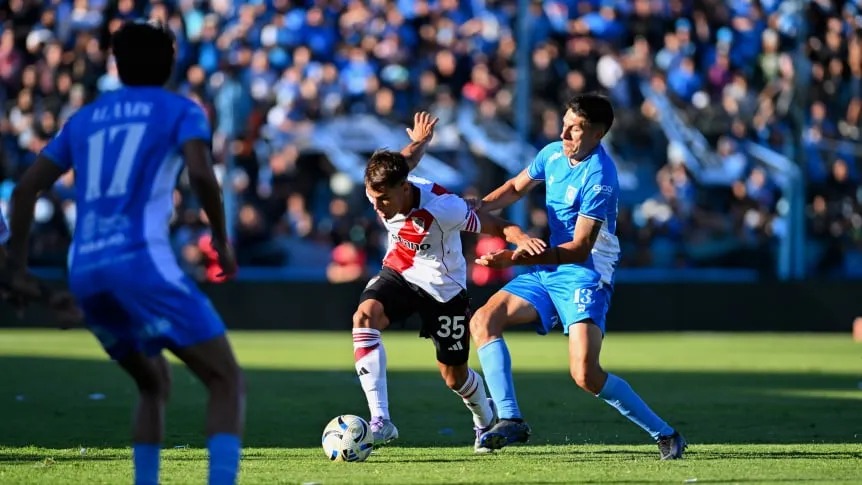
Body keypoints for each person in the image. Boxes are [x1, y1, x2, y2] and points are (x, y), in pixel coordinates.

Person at [6, 21, 245, 484]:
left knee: (152, 382)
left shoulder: (85, 119)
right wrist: (220, 237)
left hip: (85, 271)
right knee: (226, 380)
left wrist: (16, 269)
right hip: (140, 262)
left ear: (116, 63)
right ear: (171, 62)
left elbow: (23, 193)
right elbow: (200, 174)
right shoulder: (181, 110)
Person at [469, 93, 687, 459]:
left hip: (585, 274)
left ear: (598, 134)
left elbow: (581, 248)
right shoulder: (553, 153)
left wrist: (516, 257)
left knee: (585, 374)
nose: (565, 133)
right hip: (548, 264)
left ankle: (666, 434)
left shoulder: (600, 177)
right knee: (484, 320)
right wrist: (475, 208)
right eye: (565, 123)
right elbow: (515, 188)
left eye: (576, 128)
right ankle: (510, 419)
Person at [353, 112, 545, 452]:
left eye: (384, 199)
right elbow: (405, 159)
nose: (379, 207)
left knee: (454, 376)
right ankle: (381, 421)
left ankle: (484, 419)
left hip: (445, 290)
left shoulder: (445, 208)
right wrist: (421, 141)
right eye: (374, 198)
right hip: (399, 272)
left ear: (404, 188)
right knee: (364, 318)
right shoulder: (382, 186)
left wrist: (519, 237)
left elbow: (494, 225)